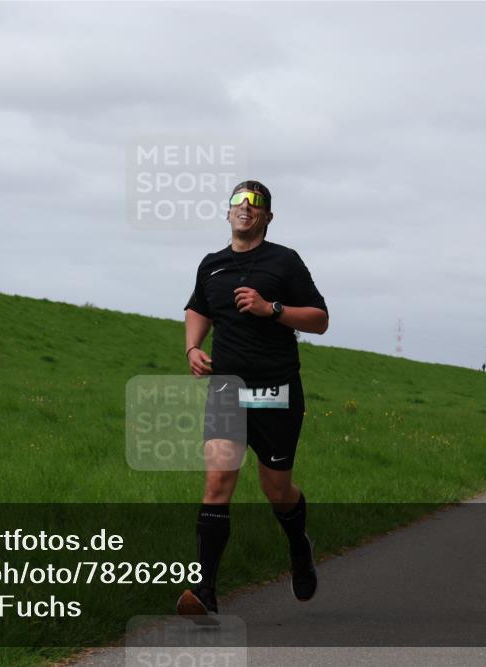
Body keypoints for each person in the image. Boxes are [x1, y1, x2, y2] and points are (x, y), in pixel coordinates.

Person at [177, 180, 329, 615]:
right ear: (227, 213)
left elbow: (319, 320)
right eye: (238, 202)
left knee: (276, 489)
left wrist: (272, 309)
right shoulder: (212, 265)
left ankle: (299, 546)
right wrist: (192, 347)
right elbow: (198, 308)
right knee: (217, 481)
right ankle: (205, 591)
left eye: (255, 202)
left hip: (276, 390)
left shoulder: (285, 261)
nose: (245, 208)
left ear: (267, 215)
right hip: (228, 388)